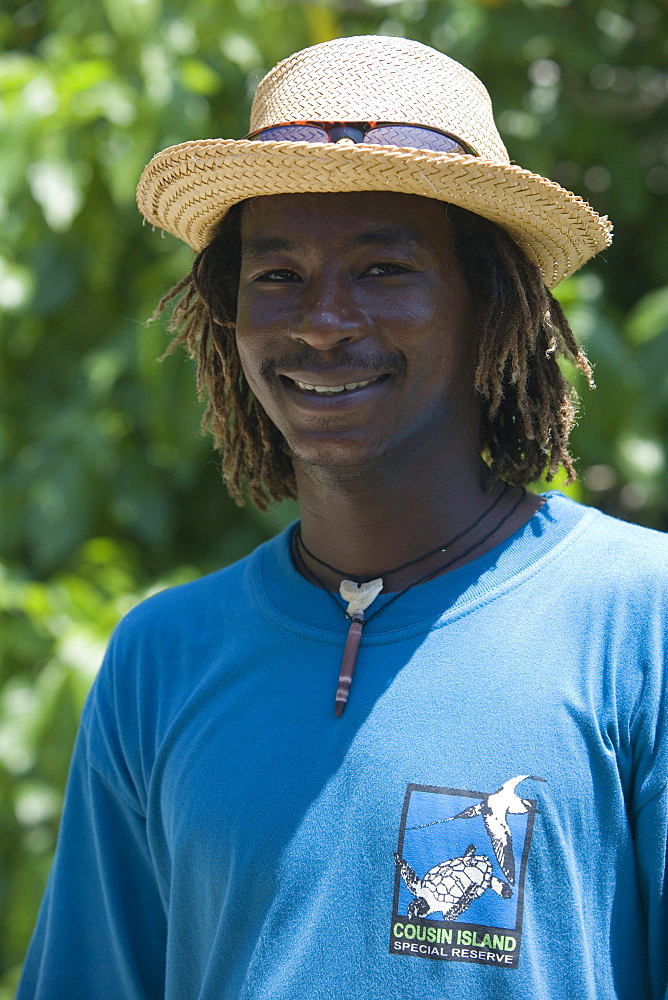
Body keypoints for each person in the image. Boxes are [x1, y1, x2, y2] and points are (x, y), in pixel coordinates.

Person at [17, 34, 667, 1000]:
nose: (322, 320)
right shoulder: (162, 657)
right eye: (278, 275)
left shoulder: (639, 618)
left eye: (382, 268)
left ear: (487, 305)